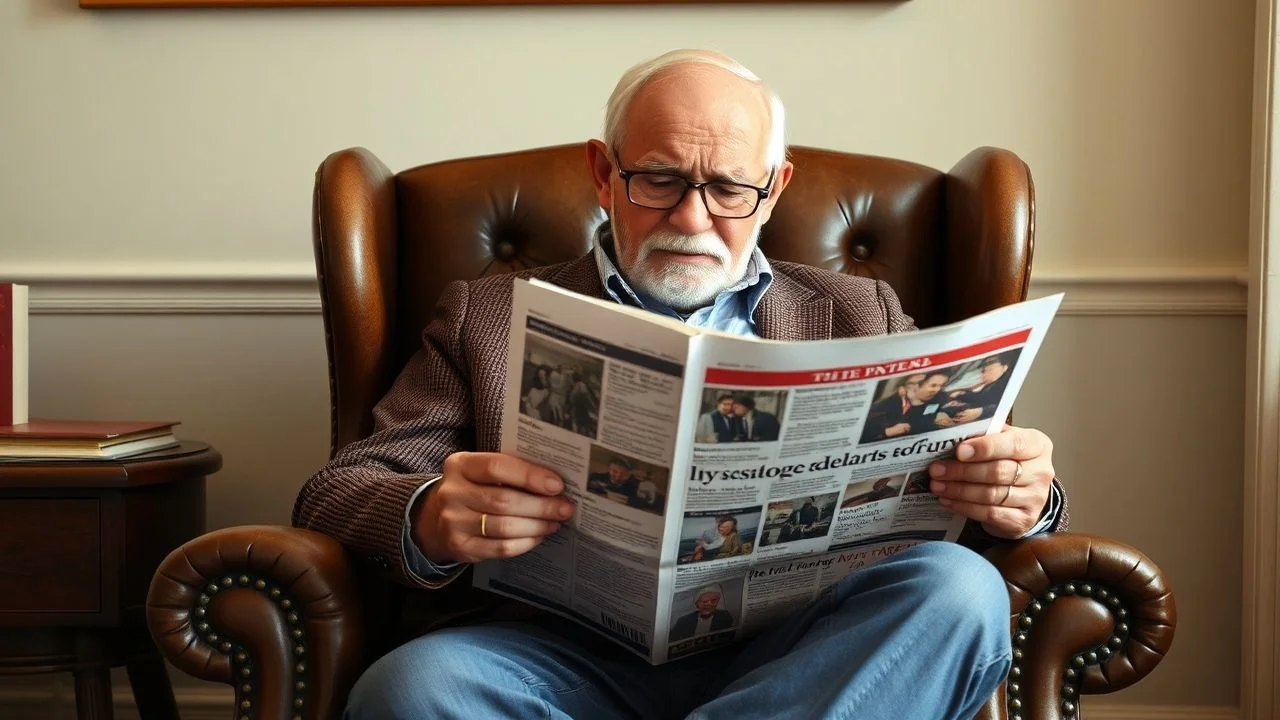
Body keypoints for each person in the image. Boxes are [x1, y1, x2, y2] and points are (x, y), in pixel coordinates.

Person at [292, 48, 1067, 720]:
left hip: (803, 658)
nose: (693, 218)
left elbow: (976, 478)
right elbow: (339, 490)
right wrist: (430, 513)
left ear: (775, 187)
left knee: (960, 592)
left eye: (730, 188)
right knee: (415, 688)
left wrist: (1026, 495)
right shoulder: (484, 316)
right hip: (558, 665)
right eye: (658, 179)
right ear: (603, 173)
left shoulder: (859, 310)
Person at [669, 583, 737, 641]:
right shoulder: (683, 621)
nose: (709, 605)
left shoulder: (725, 617)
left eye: (713, 601)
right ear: (696, 603)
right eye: (704, 602)